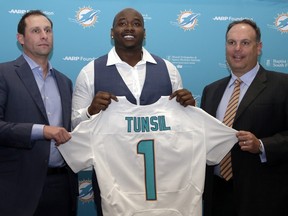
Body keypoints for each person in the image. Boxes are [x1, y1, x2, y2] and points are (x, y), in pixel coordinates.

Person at [71, 7, 195, 215]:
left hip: (162, 179)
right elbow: (74, 127)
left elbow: (183, 127)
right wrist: (91, 111)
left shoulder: (169, 70)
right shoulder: (90, 71)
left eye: (136, 23)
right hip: (112, 180)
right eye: (122, 23)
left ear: (144, 33)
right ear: (112, 32)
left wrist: (189, 109)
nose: (129, 27)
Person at [201, 19, 288, 216]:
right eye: (231, 43)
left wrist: (262, 145)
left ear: (259, 48)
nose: (237, 49)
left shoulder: (283, 86)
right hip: (217, 195)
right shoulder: (211, 91)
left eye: (245, 43)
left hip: (264, 197)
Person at [0, 10, 78, 216]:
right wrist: (41, 131)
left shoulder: (64, 82)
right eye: (35, 31)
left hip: (61, 186)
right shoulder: (4, 74)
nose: (44, 35)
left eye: (48, 30)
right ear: (21, 39)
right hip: (18, 189)